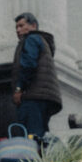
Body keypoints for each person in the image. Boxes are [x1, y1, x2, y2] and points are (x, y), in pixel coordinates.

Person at [11, 12, 62, 140]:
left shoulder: (31, 39)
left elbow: (28, 65)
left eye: (21, 25)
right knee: (41, 137)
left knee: (31, 137)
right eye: (16, 27)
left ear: (33, 25)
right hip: (45, 97)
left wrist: (19, 89)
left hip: (32, 96)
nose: (18, 30)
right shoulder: (42, 41)